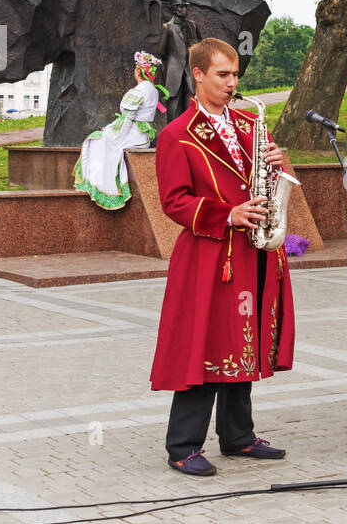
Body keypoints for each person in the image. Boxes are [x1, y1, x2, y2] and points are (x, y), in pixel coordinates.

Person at [149, 37, 293, 475]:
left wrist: (279, 163)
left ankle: (238, 437)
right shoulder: (177, 134)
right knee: (204, 343)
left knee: (241, 340)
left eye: (235, 75)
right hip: (211, 253)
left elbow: (271, 179)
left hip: (252, 251)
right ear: (197, 75)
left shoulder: (252, 126)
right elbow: (173, 201)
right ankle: (183, 446)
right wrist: (227, 214)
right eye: (222, 75)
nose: (232, 83)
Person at [74, 51, 168, 209]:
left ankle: (103, 188)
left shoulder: (138, 91)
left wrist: (114, 135)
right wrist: (111, 128)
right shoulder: (153, 90)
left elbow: (127, 121)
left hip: (133, 135)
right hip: (144, 136)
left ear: (138, 70)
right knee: (103, 136)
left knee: (95, 141)